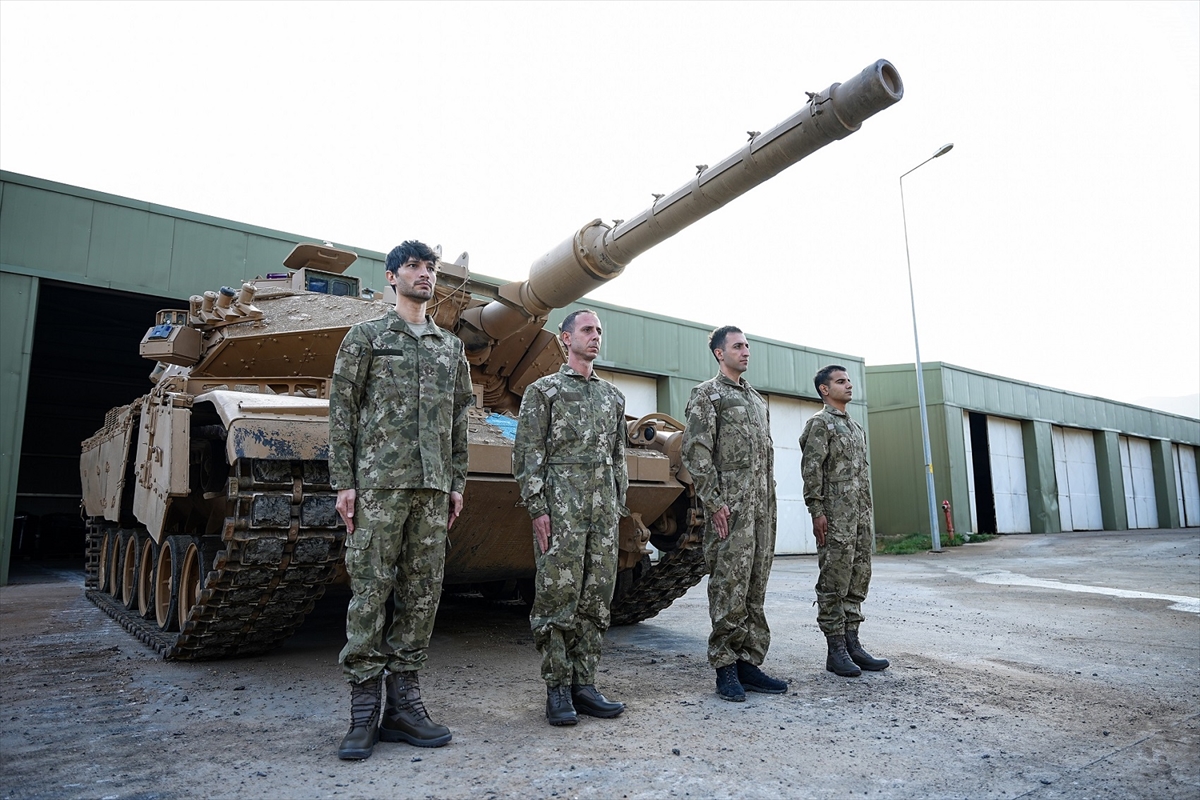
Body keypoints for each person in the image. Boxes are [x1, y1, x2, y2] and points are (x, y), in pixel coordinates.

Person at [328, 240, 474, 759]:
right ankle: (364, 710)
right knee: (370, 590)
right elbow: (342, 411)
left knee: (421, 592)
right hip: (378, 486)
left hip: (432, 489)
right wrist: (344, 482)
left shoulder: (449, 347)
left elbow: (460, 420)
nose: (423, 275)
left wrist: (457, 481)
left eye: (430, 268)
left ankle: (405, 705)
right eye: (413, 267)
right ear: (392, 277)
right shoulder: (366, 337)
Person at [513, 309, 629, 726]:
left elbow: (619, 457)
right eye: (586, 330)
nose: (595, 336)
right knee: (556, 601)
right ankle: (557, 688)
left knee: (596, 601)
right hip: (561, 515)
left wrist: (617, 505)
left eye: (599, 330)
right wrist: (538, 509)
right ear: (565, 339)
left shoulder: (612, 397)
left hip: (602, 517)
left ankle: (585, 684)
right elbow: (528, 454)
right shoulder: (544, 392)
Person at [681, 326, 788, 702]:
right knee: (729, 584)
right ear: (718, 353)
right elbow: (696, 452)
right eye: (737, 346)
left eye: (747, 346)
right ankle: (725, 667)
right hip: (731, 508)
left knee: (755, 585)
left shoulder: (757, 400)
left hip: (762, 508)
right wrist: (714, 503)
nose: (745, 352)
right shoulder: (707, 395)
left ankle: (748, 662)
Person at [799, 365, 889, 677]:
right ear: (824, 389)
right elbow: (812, 470)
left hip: (859, 516)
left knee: (858, 577)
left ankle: (853, 643)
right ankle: (835, 649)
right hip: (835, 518)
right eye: (840, 381)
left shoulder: (854, 427)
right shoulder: (820, 424)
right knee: (834, 580)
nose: (848, 385)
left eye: (849, 380)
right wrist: (817, 511)